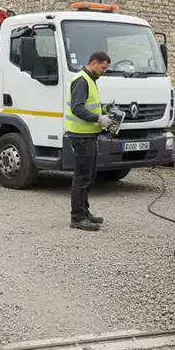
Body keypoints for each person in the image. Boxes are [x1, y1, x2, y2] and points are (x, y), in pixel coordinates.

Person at [64, 51, 114, 231]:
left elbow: (88, 106)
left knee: (89, 176)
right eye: (103, 68)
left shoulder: (90, 80)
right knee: (82, 177)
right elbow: (78, 109)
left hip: (88, 135)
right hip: (81, 135)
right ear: (94, 63)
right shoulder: (81, 81)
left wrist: (104, 112)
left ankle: (84, 212)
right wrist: (99, 119)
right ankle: (77, 218)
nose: (104, 71)